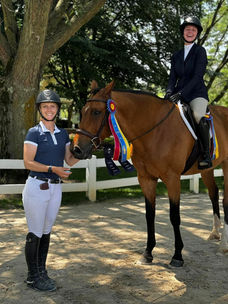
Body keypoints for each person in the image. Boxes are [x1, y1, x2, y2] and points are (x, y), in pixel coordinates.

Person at [22, 89, 79, 291]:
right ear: (40, 109)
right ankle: (32, 276)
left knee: (46, 232)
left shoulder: (62, 133)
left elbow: (69, 161)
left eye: (52, 106)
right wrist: (51, 169)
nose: (49, 109)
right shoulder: (34, 132)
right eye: (45, 106)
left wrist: (83, 153)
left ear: (57, 109)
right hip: (37, 187)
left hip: (55, 189)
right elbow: (28, 162)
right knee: (35, 232)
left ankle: (42, 271)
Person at [164, 16, 212, 169]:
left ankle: (206, 154)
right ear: (183, 32)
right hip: (178, 93)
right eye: (187, 29)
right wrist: (169, 92)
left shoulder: (200, 51)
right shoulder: (176, 55)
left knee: (198, 115)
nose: (190, 31)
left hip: (196, 93)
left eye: (193, 29)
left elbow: (198, 76)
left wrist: (182, 93)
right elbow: (172, 77)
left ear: (197, 33)